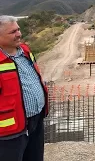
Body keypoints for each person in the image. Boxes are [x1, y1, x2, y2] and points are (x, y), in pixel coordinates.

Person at [0, 15, 49, 161]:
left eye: (18, 29)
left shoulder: (25, 51)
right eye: (13, 32)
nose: (19, 34)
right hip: (10, 131)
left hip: (36, 120)